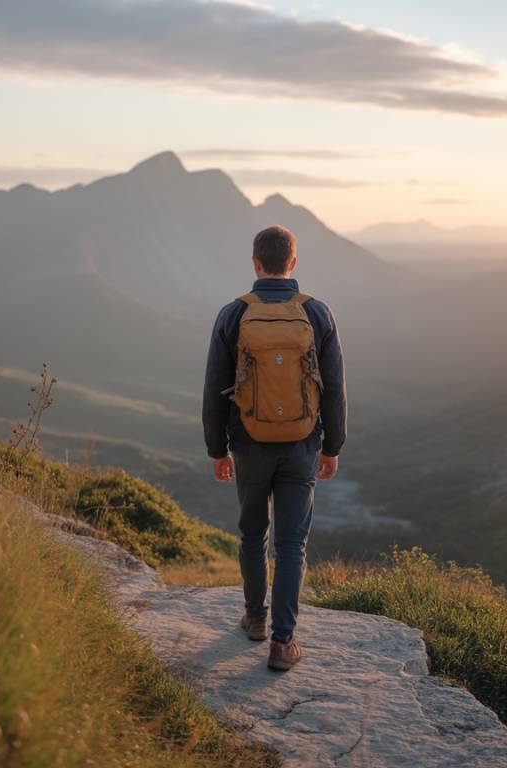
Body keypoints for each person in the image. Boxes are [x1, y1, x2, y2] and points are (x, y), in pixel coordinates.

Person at [202, 225, 347, 672]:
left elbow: (213, 389)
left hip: (248, 443)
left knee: (252, 534)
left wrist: (217, 450)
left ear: (255, 263)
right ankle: (283, 644)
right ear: (293, 263)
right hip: (302, 443)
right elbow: (335, 387)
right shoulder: (317, 314)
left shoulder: (233, 314)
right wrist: (332, 445)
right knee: (291, 544)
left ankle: (255, 618)